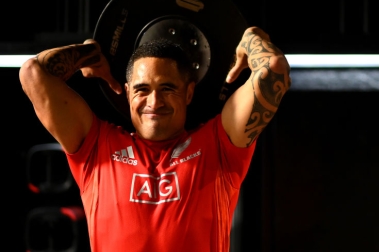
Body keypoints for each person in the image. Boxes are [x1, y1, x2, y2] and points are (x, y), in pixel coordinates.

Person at [19, 26, 291, 252]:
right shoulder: (96, 147)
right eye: (142, 89)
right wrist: (89, 54)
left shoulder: (218, 143)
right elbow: (33, 72)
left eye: (167, 88)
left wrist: (252, 38)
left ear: (188, 93)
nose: (154, 101)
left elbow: (275, 69)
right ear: (127, 93)